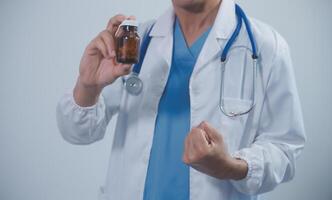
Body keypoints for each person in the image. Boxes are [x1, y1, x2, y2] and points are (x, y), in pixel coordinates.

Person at [56, 0, 306, 199]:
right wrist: (88, 85)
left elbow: (284, 149)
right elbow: (78, 132)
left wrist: (230, 166)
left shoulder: (265, 47)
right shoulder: (134, 43)